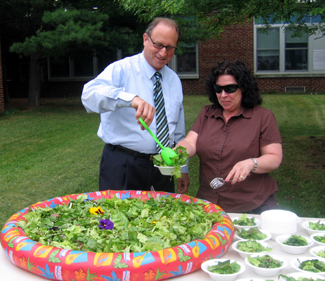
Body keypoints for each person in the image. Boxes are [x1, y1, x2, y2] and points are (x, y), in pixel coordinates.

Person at [81, 17, 190, 193]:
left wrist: (182, 169)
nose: (163, 53)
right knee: (119, 218)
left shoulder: (174, 80)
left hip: (163, 168)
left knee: (162, 218)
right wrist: (130, 99)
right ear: (145, 39)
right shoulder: (122, 70)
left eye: (170, 48)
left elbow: (178, 131)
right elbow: (88, 95)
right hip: (123, 166)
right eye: (158, 45)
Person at [177, 60, 282, 213]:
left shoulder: (262, 117)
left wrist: (251, 163)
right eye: (218, 89)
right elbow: (191, 142)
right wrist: (179, 150)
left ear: (243, 88)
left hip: (251, 205)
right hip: (210, 204)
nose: (223, 95)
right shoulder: (206, 113)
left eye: (230, 88)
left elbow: (274, 157)